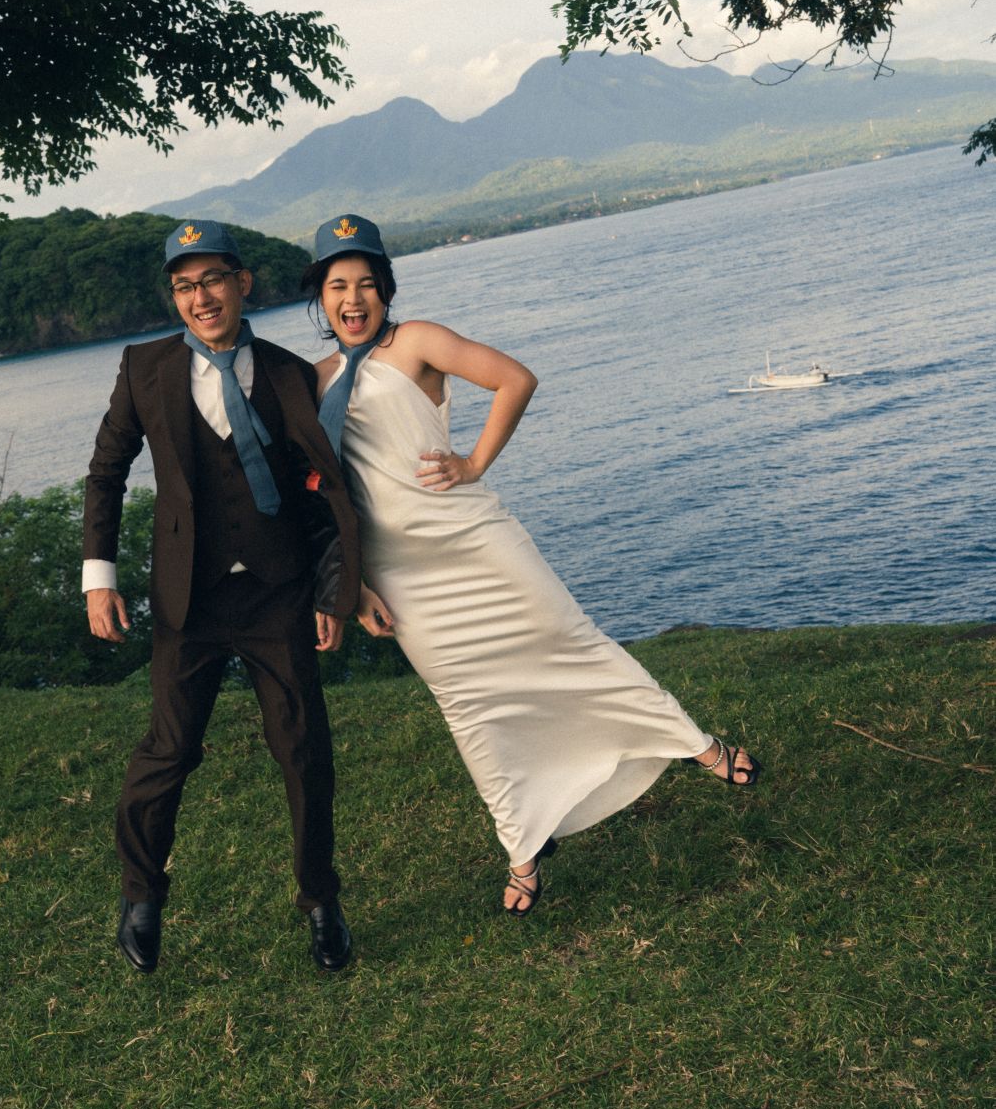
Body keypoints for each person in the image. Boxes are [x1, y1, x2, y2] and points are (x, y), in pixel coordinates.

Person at [307, 213, 761, 916]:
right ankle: (522, 848)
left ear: (385, 289)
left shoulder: (417, 340)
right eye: (338, 285)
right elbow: (324, 495)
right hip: (399, 574)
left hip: (476, 541)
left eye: (366, 283)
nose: (353, 298)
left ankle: (694, 744)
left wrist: (473, 463)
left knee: (571, 642)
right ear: (321, 296)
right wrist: (353, 585)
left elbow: (515, 379)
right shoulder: (314, 382)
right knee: (468, 706)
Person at [83, 220, 361, 973]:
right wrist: (99, 578)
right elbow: (106, 472)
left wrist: (333, 591)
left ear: (242, 283)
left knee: (303, 751)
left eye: (211, 280)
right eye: (184, 286)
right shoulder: (143, 368)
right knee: (169, 750)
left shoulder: (289, 374)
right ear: (174, 298)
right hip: (189, 600)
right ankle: (142, 895)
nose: (200, 298)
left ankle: (321, 901)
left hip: (278, 593)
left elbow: (323, 493)